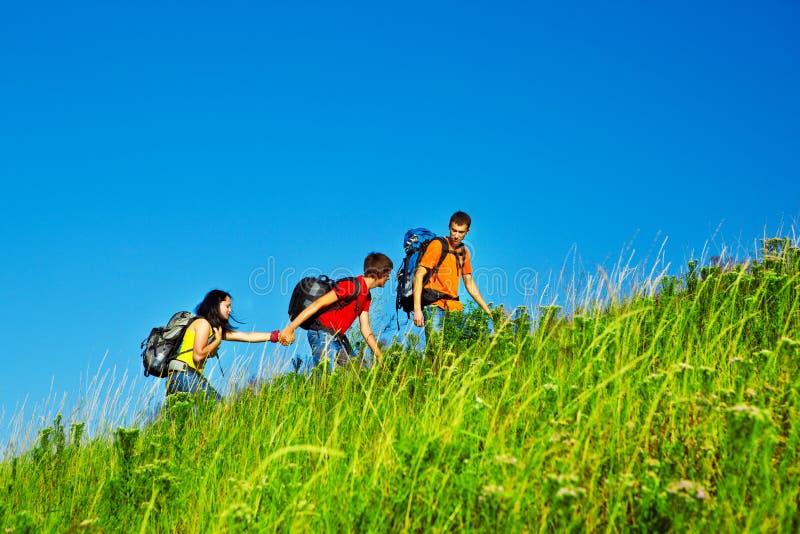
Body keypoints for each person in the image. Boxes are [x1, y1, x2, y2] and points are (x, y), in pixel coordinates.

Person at [279, 253, 393, 371]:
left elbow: (365, 329)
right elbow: (318, 303)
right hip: (322, 334)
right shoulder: (351, 286)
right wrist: (291, 328)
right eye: (387, 274)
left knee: (361, 371)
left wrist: (380, 356)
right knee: (324, 376)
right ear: (379, 273)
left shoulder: (367, 296)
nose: (388, 278)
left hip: (338, 338)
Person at [166, 289, 281, 400]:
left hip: (179, 377)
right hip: (185, 375)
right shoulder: (203, 324)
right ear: (216, 305)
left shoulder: (215, 330)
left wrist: (276, 336)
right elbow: (198, 355)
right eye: (227, 306)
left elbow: (247, 336)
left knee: (189, 418)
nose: (230, 310)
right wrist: (217, 341)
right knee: (221, 410)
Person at [412, 211, 492, 347]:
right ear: (449, 226)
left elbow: (469, 283)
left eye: (461, 232)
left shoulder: (464, 252)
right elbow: (419, 275)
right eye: (454, 230)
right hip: (434, 305)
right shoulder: (437, 245)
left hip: (454, 306)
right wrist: (418, 310)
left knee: (468, 343)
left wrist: (488, 311)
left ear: (468, 231)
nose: (456, 235)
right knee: (436, 349)